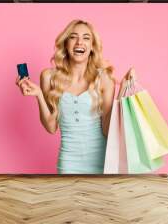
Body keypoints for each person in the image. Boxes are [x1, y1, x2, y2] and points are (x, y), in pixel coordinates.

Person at [16, 19, 135, 174]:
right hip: (68, 162)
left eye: (86, 38)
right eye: (73, 37)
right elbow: (51, 127)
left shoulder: (104, 78)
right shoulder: (49, 77)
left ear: (92, 46)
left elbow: (107, 130)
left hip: (102, 161)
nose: (80, 42)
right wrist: (38, 94)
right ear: (66, 44)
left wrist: (121, 92)